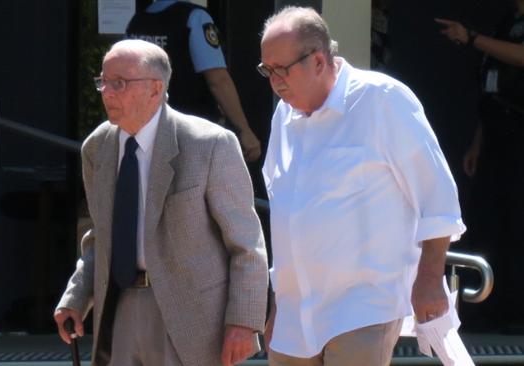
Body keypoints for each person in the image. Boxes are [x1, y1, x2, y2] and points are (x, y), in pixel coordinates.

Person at [258, 7, 466, 365]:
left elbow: (437, 197)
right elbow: (286, 216)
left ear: (319, 61)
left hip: (362, 307)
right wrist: (280, 302)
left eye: (282, 69)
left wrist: (430, 278)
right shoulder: (284, 115)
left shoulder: (382, 98)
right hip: (296, 316)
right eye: (267, 70)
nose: (274, 80)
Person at [53, 39, 268, 366]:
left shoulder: (209, 144)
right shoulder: (96, 148)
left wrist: (244, 321)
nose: (107, 92)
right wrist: (76, 297)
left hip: (193, 318)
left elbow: (246, 243)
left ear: (156, 89)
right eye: (103, 82)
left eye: (119, 83)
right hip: (121, 308)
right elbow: (102, 237)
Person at [436, 0, 524, 332]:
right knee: (489, 220)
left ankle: (517, 314)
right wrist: (477, 143)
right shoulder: (507, 20)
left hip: (520, 137)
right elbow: (494, 89)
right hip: (496, 136)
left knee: (517, 223)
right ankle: (489, 310)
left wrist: (472, 38)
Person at [125, 0, 262, 162]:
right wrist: (244, 129)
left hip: (145, 130)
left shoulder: (136, 22)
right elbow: (218, 80)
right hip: (193, 130)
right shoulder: (195, 18)